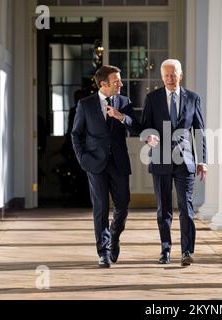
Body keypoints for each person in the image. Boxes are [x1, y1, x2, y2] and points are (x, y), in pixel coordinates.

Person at [71, 65, 140, 268]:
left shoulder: (124, 102)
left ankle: (114, 237)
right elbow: (76, 134)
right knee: (100, 208)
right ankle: (103, 252)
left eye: (120, 80)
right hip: (95, 163)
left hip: (119, 163)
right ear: (104, 84)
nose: (121, 84)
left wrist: (121, 116)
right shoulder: (85, 105)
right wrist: (83, 159)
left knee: (123, 205)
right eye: (117, 81)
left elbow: (136, 127)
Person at [141, 59, 207, 267]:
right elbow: (145, 127)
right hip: (160, 159)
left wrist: (202, 161)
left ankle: (187, 251)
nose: (170, 78)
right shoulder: (152, 98)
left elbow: (198, 131)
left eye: (173, 74)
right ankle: (165, 249)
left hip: (185, 160)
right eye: (166, 75)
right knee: (164, 209)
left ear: (181, 75)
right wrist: (148, 137)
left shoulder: (193, 98)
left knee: (186, 208)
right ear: (162, 77)